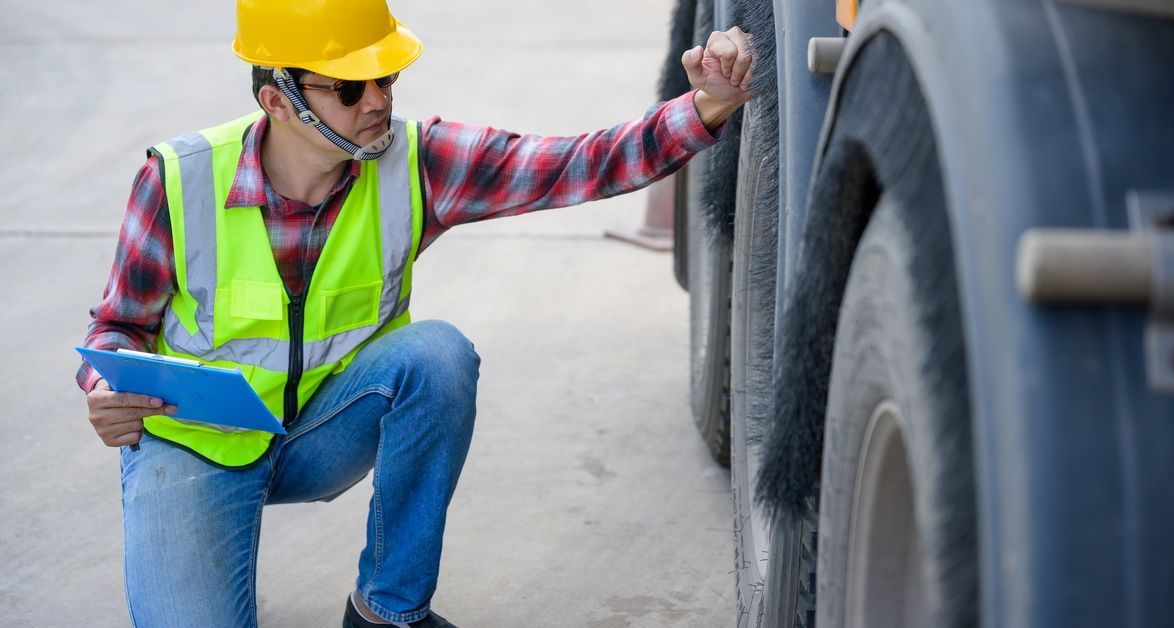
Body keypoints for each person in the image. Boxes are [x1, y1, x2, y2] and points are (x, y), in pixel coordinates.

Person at [76, 0, 753, 626]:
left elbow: (579, 162)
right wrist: (105, 388)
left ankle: (387, 610)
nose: (376, 101)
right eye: (347, 88)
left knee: (436, 356)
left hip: (323, 432)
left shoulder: (414, 162)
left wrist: (705, 107)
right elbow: (117, 327)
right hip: (197, 443)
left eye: (386, 77)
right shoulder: (181, 178)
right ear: (276, 101)